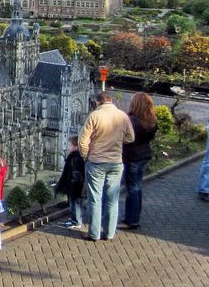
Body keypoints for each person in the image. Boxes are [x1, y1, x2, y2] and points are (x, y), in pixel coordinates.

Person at [79, 91, 135, 242]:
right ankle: (109, 233)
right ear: (111, 101)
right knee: (112, 199)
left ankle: (94, 234)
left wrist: (86, 156)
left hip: (96, 161)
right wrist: (117, 141)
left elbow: (83, 141)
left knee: (95, 199)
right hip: (116, 162)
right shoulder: (123, 116)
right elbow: (131, 137)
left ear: (98, 102)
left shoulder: (94, 116)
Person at [120, 92, 158, 230]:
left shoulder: (132, 121)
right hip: (145, 154)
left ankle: (132, 219)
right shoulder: (151, 120)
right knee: (137, 187)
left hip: (132, 156)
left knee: (132, 189)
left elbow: (126, 139)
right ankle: (134, 216)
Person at [55, 135, 86, 230]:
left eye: (70, 145)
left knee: (75, 203)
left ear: (75, 146)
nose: (68, 147)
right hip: (76, 186)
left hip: (75, 186)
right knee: (76, 203)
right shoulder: (79, 156)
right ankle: (75, 219)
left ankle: (76, 222)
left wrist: (72, 186)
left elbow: (75, 174)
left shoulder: (75, 157)